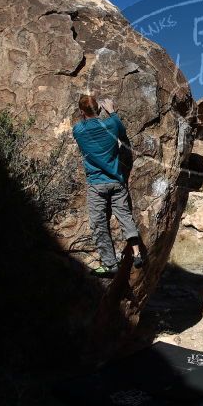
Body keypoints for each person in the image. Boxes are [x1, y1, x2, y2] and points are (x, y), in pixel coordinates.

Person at [72, 94, 144, 275]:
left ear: (82, 112)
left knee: (99, 224)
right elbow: (122, 132)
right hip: (116, 181)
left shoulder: (78, 130)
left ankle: (110, 265)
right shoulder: (112, 124)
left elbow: (84, 125)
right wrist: (111, 111)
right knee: (125, 216)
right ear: (98, 109)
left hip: (96, 184)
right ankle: (137, 252)